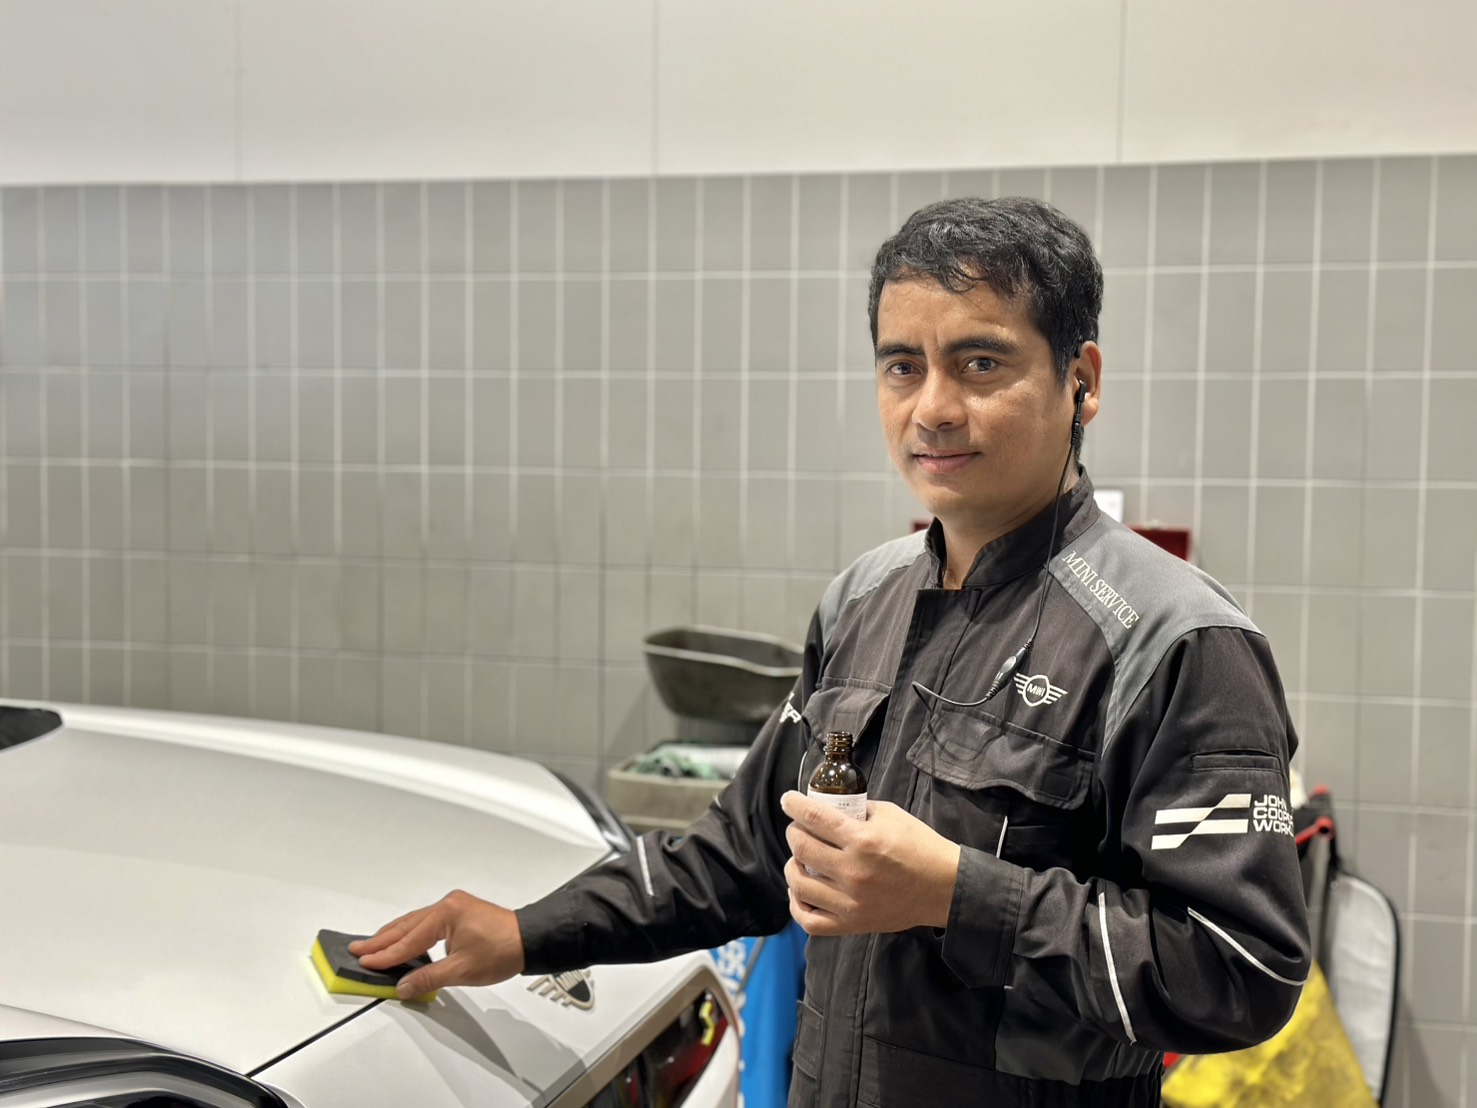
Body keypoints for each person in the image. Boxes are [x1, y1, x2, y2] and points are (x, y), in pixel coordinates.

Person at [353, 197, 1311, 1107]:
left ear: (1081, 380)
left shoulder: (1173, 640)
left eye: (980, 363)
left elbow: (1240, 971)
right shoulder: (864, 598)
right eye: (902, 366)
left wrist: (958, 895)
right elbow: (741, 856)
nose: (932, 407)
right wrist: (526, 932)